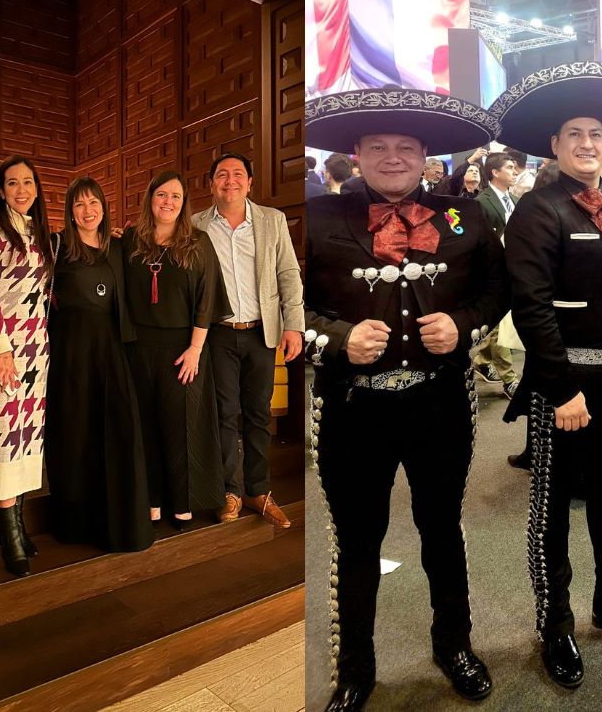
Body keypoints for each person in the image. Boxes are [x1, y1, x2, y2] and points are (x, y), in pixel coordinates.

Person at [305, 88, 508, 711]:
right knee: (359, 540)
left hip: (438, 403)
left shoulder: (465, 215)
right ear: (356, 153)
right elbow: (284, 306)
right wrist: (336, 339)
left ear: (424, 155)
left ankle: (455, 646)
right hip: (352, 408)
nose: (391, 157)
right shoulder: (315, 216)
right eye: (377, 147)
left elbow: (498, 291)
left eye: (405, 147)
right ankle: (355, 668)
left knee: (442, 528)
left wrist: (465, 328)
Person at [494, 61, 602, 690]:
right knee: (551, 511)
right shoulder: (537, 212)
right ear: (555, 145)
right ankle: (556, 623)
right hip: (564, 386)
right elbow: (532, 308)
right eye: (575, 134)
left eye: (596, 134)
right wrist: (562, 387)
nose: (588, 143)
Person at [193, 153, 304, 528]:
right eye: (221, 175)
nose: (230, 181)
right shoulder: (196, 226)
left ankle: (259, 491)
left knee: (258, 414)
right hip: (218, 334)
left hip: (262, 331)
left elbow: (288, 273)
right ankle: (229, 491)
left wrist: (294, 325)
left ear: (250, 182)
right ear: (211, 184)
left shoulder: (271, 221)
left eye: (237, 174)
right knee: (224, 414)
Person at [44, 177, 153, 552]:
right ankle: (77, 525)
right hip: (71, 353)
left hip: (111, 349)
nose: (88, 211)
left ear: (104, 208)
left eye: (94, 203)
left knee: (117, 430)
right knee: (76, 434)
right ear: (70, 213)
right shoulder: (57, 247)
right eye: (79, 205)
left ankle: (120, 522)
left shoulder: (119, 246)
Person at [122, 171, 227, 530]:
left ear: (184, 205)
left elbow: (207, 299)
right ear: (150, 198)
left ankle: (181, 500)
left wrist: (196, 348)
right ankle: (152, 498)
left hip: (183, 349)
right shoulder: (131, 241)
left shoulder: (197, 242)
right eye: (162, 194)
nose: (168, 202)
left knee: (180, 426)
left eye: (176, 197)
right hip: (138, 348)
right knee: (145, 426)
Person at [0, 156, 55, 578]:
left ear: (36, 189)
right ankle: (9, 531)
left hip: (36, 347)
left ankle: (16, 520)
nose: (21, 190)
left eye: (28, 182)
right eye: (12, 183)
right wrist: (2, 351)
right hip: (1, 348)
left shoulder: (39, 233)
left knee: (26, 435)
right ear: (0, 190)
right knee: (4, 435)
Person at [472, 152, 521, 397]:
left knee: (497, 326)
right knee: (500, 326)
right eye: (510, 167)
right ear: (494, 172)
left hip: (512, 268)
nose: (514, 171)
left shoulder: (513, 198)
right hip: (491, 272)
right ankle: (509, 379)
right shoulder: (482, 201)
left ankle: (481, 359)